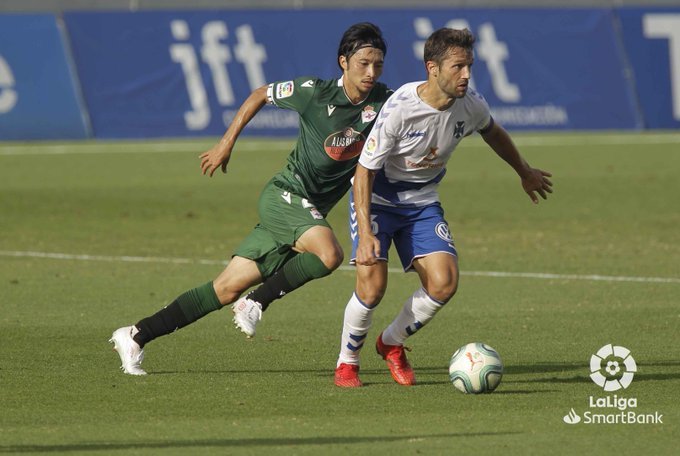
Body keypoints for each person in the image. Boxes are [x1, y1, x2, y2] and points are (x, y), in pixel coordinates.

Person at [109, 22, 392, 375]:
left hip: (306, 215)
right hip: (285, 196)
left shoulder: (385, 102)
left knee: (225, 289)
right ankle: (257, 302)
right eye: (364, 63)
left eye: (378, 64)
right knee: (330, 253)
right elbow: (260, 93)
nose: (371, 72)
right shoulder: (313, 92)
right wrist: (226, 143)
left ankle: (136, 334)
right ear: (343, 62)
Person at [333, 28, 553, 388]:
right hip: (377, 200)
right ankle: (347, 362)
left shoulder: (471, 104)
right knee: (372, 286)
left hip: (421, 202)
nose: (466, 75)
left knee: (444, 282)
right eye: (458, 67)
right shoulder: (401, 108)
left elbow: (492, 131)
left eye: (469, 66)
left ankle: (391, 342)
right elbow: (363, 172)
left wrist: (524, 171)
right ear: (432, 68)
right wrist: (367, 232)